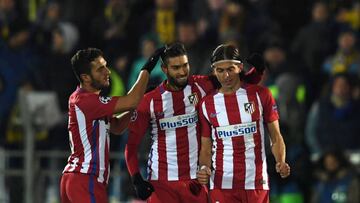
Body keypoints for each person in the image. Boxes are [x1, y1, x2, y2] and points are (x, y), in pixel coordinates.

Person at [125, 42, 266, 202]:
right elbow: (131, 146)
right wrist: (136, 178)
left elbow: (237, 82)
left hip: (196, 181)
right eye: (176, 68)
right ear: (165, 69)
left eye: (185, 65)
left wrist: (258, 71)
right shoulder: (150, 100)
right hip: (161, 182)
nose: (182, 72)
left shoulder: (200, 85)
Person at [60, 47, 163, 203]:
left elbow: (118, 126)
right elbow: (132, 99)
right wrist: (148, 67)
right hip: (86, 179)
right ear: (85, 77)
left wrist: (140, 101)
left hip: (76, 178)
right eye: (100, 69)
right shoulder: (86, 101)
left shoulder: (87, 101)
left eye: (105, 66)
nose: (107, 72)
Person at [196, 44, 290, 203]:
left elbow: (275, 136)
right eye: (220, 71)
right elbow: (206, 147)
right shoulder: (206, 104)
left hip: (256, 182)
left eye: (230, 69)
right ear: (213, 71)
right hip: (222, 184)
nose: (226, 75)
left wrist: (280, 161)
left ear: (240, 67)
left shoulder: (261, 95)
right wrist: (204, 168)